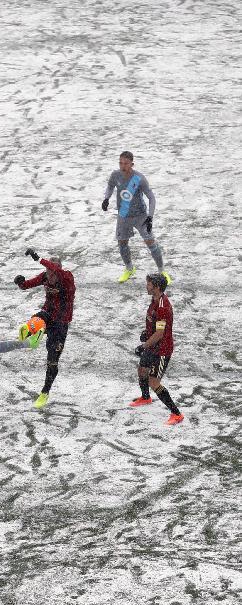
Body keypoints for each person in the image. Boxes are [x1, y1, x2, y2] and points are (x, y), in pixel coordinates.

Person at [14, 248, 76, 408]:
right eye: (47, 271)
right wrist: (20, 283)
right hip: (48, 314)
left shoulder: (67, 277)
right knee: (38, 317)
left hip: (61, 323)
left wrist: (39, 258)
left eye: (52, 271)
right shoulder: (46, 275)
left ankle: (45, 392)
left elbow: (55, 269)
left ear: (59, 271)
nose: (49, 275)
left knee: (52, 362)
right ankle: (33, 334)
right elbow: (28, 284)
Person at [102, 151, 172, 285]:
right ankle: (129, 268)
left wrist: (150, 217)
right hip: (123, 215)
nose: (122, 166)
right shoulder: (115, 175)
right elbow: (110, 187)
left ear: (132, 164)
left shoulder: (139, 178)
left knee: (150, 242)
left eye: (126, 163)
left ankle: (162, 271)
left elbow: (151, 197)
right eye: (120, 163)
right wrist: (106, 198)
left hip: (140, 216)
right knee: (122, 243)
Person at [130, 274, 183, 425]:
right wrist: (147, 334)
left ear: (157, 287)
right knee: (142, 370)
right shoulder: (154, 301)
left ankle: (176, 413)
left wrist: (143, 345)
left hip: (161, 350)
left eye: (149, 284)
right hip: (152, 345)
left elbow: (160, 334)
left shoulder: (162, 306)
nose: (146, 286)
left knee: (154, 382)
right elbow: (155, 327)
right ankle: (145, 398)